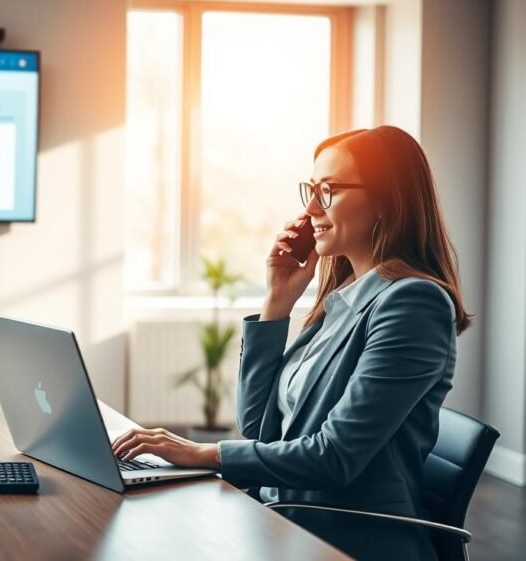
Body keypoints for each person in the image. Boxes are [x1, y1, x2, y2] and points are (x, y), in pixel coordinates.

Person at [112, 126, 472, 560]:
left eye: (328, 191)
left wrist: (201, 452)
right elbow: (258, 425)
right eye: (311, 191)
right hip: (286, 517)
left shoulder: (414, 303)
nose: (312, 209)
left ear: (386, 201)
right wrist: (277, 303)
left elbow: (334, 457)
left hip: (346, 538)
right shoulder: (341, 301)